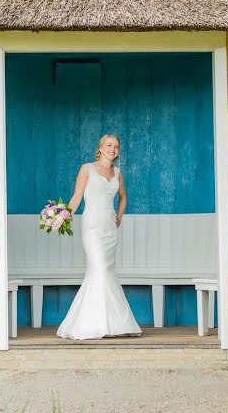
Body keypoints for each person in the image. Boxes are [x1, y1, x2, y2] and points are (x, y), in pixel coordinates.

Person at [56, 134, 143, 340]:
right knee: (100, 269)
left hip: (110, 228)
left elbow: (123, 197)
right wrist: (62, 217)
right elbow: (77, 197)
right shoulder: (87, 169)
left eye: (116, 146)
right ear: (101, 148)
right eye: (109, 145)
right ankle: (92, 324)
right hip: (92, 226)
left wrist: (119, 215)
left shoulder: (118, 172)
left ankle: (115, 324)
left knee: (106, 272)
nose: (113, 149)